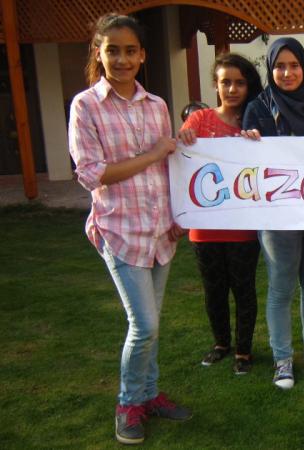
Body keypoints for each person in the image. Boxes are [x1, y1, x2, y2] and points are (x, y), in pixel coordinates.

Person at [68, 13, 190, 445]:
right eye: (112, 50)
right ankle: (127, 404)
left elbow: (169, 164)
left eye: (129, 51)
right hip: (120, 230)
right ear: (98, 53)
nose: (121, 59)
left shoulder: (156, 105)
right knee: (144, 325)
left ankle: (149, 395)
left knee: (152, 324)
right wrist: (154, 152)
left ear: (142, 56)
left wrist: (178, 213)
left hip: (159, 230)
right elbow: (92, 174)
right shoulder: (86, 106)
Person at [242, 37, 304, 389]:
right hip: (276, 215)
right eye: (280, 66)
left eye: (294, 65)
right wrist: (246, 141)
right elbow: (247, 161)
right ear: (270, 69)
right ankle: (282, 359)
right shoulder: (257, 109)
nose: (287, 73)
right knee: (282, 285)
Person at [177, 53, 263, 374]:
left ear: (248, 86)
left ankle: (243, 350)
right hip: (205, 227)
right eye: (226, 82)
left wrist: (257, 142)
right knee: (214, 290)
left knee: (244, 289)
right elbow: (181, 155)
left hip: (242, 227)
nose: (232, 89)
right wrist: (184, 138)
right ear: (216, 85)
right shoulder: (199, 121)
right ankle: (220, 344)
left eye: (239, 83)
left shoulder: (255, 122)